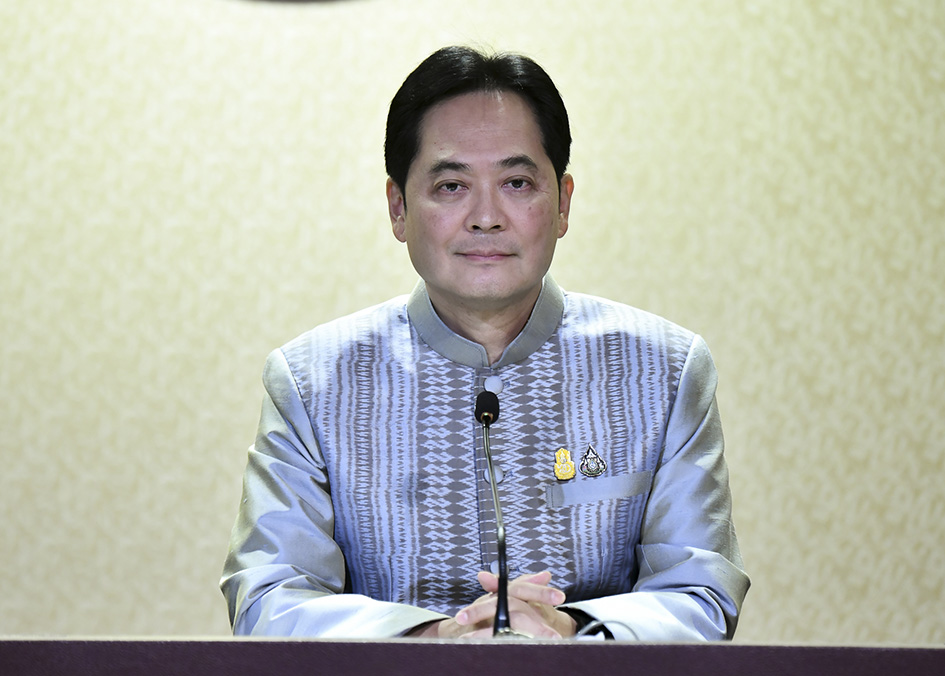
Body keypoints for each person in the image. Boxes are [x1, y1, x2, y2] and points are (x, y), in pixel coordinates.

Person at [220, 45, 749, 641]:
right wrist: (435, 640)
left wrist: (570, 630)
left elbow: (701, 594)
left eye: (517, 183)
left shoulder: (664, 371)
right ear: (398, 209)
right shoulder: (313, 382)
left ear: (563, 203)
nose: (486, 216)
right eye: (451, 186)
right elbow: (268, 599)